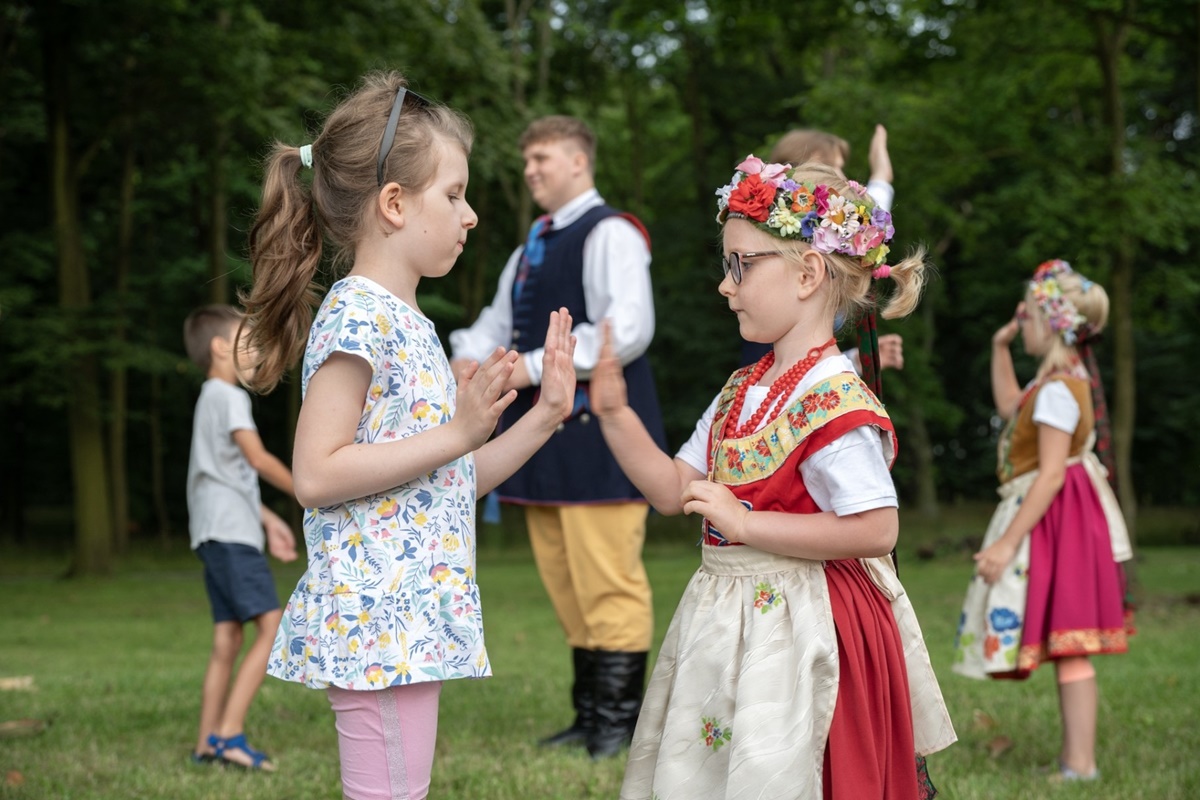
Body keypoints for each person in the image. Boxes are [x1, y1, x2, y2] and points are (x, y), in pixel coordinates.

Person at [238, 72, 578, 800]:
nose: (472, 214)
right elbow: (318, 474)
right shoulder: (358, 316)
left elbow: (446, 481)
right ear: (394, 204)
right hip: (375, 625)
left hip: (405, 625)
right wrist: (456, 430)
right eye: (454, 194)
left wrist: (544, 414)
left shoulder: (408, 323)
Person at [591, 157, 956, 799]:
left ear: (808, 273)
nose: (725, 286)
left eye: (741, 265)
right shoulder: (744, 388)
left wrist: (745, 522)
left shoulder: (834, 398)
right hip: (732, 622)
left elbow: (876, 527)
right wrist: (616, 415)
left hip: (810, 628)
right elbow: (674, 491)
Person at [449, 115, 666, 760]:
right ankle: (588, 716)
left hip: (602, 433)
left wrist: (536, 366)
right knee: (567, 580)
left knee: (608, 578)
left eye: (542, 157)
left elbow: (627, 329)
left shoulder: (612, 234)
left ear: (579, 160)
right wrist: (469, 358)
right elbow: (494, 324)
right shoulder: (531, 244)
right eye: (527, 160)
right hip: (541, 440)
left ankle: (618, 728)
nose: (530, 170)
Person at [953, 259, 1133, 783]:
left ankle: (1081, 763)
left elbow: (1051, 475)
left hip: (1059, 524)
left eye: (1028, 316)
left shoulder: (1058, 389)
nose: (1022, 322)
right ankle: (1076, 761)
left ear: (1052, 322)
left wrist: (1007, 544)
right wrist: (1000, 345)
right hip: (1059, 519)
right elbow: (1010, 404)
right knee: (1067, 643)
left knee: (1072, 642)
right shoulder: (1051, 384)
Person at [183, 303, 298, 771]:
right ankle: (229, 734)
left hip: (214, 531)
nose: (256, 353)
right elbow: (256, 459)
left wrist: (268, 519)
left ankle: (206, 743)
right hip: (231, 533)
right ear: (219, 348)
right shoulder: (230, 398)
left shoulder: (208, 397)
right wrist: (310, 489)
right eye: (248, 343)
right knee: (271, 629)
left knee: (228, 638)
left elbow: (225, 475)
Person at [741, 123, 903, 371]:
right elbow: (862, 231)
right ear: (816, 163)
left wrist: (853, 360)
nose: (843, 175)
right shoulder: (794, 241)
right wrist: (881, 175)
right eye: (837, 166)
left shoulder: (788, 231)